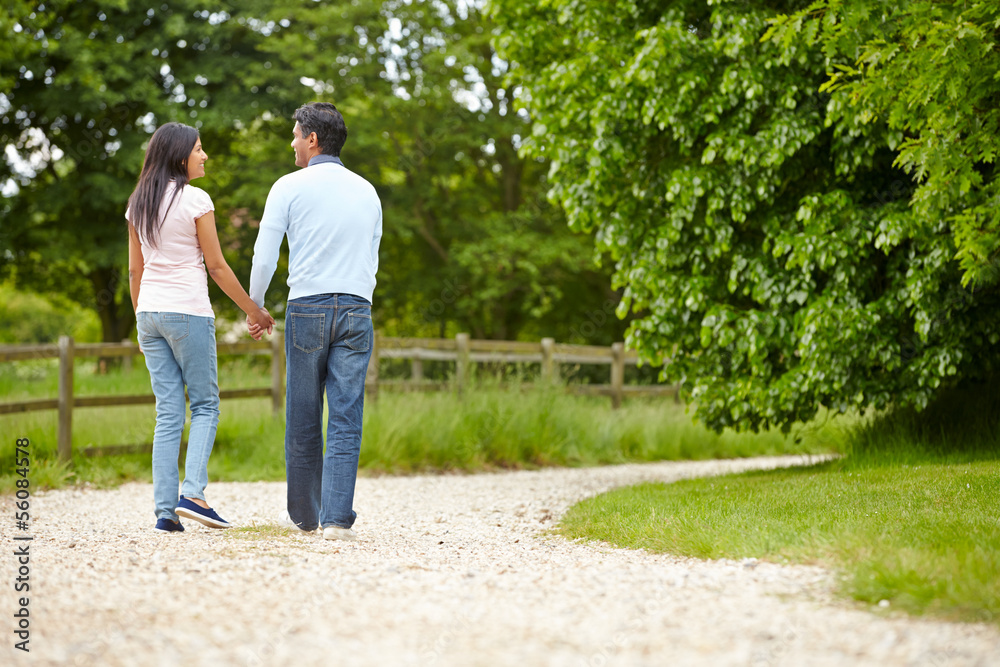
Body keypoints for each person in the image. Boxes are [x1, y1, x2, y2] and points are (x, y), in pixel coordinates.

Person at [127, 122, 274, 533]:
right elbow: (217, 267)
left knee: (168, 412)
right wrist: (254, 311)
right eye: (198, 150)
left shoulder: (138, 202)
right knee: (206, 404)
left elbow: (134, 270)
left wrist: (142, 320)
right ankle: (193, 493)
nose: (204, 156)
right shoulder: (195, 199)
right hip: (188, 313)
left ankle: (165, 512)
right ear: (179, 157)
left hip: (150, 314)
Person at [248, 102, 382, 541]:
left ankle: (306, 517)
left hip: (307, 307)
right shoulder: (367, 191)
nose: (291, 142)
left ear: (312, 139)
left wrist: (256, 305)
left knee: (304, 414)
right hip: (357, 308)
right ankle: (337, 521)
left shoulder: (288, 187)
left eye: (295, 134)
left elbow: (264, 254)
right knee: (346, 415)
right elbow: (371, 255)